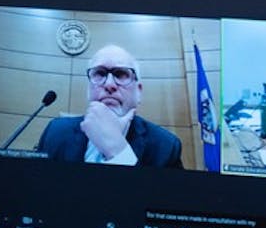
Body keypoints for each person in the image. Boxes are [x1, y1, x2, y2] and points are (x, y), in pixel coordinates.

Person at [36, 44, 183, 167]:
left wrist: (119, 152)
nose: (109, 84)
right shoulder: (55, 132)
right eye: (99, 73)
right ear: (89, 89)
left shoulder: (165, 146)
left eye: (120, 74)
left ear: (138, 92)